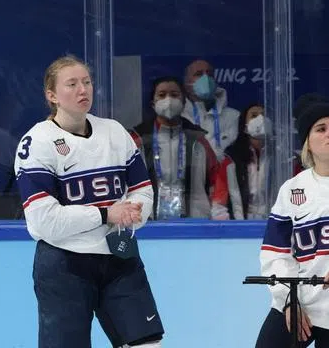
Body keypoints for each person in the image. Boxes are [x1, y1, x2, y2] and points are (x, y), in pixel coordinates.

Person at [14, 55, 162, 348]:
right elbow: (43, 221)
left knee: (146, 343)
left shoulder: (115, 132)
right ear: (52, 95)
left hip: (119, 256)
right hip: (65, 264)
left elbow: (143, 190)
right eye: (72, 84)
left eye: (87, 82)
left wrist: (134, 213)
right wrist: (107, 214)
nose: (83, 90)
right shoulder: (37, 144)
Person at [256, 101, 329, 347]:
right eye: (321, 128)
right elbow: (276, 253)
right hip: (300, 302)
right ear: (308, 143)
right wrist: (288, 300)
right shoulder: (293, 189)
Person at [130, 75, 233, 220]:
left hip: (195, 220)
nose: (168, 100)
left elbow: (217, 177)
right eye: (162, 95)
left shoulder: (199, 140)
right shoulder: (137, 140)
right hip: (148, 220)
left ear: (184, 102)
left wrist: (218, 208)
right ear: (153, 103)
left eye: (174, 95)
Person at [183, 59, 240, 158]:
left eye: (210, 74)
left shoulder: (234, 116)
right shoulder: (180, 116)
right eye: (198, 74)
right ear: (187, 83)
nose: (206, 78)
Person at [226, 103, 273, 220]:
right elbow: (222, 197)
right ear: (245, 125)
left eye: (263, 115)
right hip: (240, 221)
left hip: (272, 221)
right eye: (254, 115)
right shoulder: (231, 156)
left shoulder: (279, 156)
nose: (260, 119)